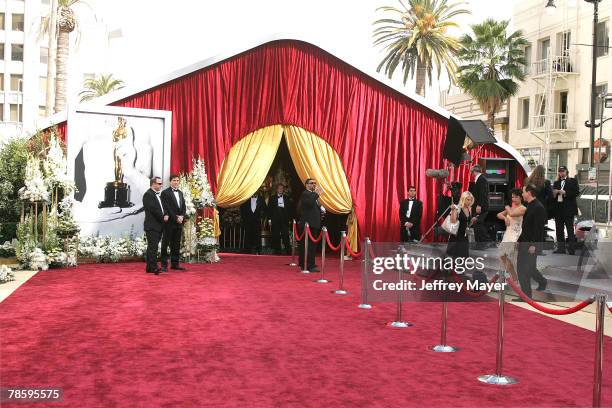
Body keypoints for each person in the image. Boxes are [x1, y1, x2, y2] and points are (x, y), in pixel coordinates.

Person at [516, 184, 548, 299]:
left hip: (530, 245)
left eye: (523, 192)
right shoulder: (529, 205)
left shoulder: (538, 207)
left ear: (529, 193)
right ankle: (542, 282)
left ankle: (526, 295)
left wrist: (534, 245)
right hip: (525, 243)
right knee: (529, 268)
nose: (522, 194)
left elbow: (538, 229)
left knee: (522, 269)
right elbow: (526, 227)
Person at [496, 189, 526, 281]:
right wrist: (505, 218)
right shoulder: (510, 208)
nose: (513, 199)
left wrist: (506, 206)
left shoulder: (523, 208)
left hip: (516, 234)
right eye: (512, 197)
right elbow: (498, 214)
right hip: (508, 233)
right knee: (502, 255)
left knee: (510, 257)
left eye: (516, 197)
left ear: (521, 197)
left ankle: (510, 277)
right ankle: (512, 277)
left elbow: (512, 214)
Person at [160, 174, 187, 271]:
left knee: (176, 244)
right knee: (165, 244)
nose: (176, 182)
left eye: (177, 180)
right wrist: (176, 217)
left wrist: (182, 216)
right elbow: (166, 207)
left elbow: (183, 206)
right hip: (170, 222)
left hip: (179, 222)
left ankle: (175, 264)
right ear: (170, 181)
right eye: (174, 180)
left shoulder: (180, 192)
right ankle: (163, 265)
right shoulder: (165, 193)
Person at [142, 177, 168, 274]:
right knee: (153, 247)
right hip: (152, 225)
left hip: (157, 225)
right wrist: (163, 217)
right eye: (159, 183)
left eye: (161, 183)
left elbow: (161, 208)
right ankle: (153, 267)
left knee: (153, 247)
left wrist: (165, 213)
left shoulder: (157, 195)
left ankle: (150, 267)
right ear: (153, 184)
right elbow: (153, 209)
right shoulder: (148, 195)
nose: (161, 185)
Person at [552, 166, 579, 255]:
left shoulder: (572, 181)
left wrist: (565, 193)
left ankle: (571, 249)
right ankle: (561, 248)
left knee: (570, 229)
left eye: (563, 171)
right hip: (558, 209)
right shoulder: (556, 182)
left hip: (568, 209)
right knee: (559, 229)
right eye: (560, 171)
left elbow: (576, 193)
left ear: (567, 171)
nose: (561, 173)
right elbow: (553, 196)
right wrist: (555, 193)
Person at [298, 178, 323, 272]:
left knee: (312, 245)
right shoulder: (305, 193)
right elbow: (309, 203)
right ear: (306, 185)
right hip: (308, 224)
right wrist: (316, 193)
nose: (314, 185)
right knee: (308, 245)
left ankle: (310, 263)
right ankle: (308, 265)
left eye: (315, 183)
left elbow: (314, 206)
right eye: (312, 183)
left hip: (313, 224)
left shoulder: (312, 195)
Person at [447, 191, 475, 259]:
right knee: (453, 259)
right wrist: (453, 210)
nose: (469, 201)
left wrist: (471, 221)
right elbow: (453, 222)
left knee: (463, 258)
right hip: (456, 236)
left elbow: (468, 225)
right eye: (468, 199)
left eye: (471, 200)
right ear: (463, 199)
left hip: (464, 237)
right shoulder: (457, 208)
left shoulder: (469, 209)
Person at [468, 165, 490, 249]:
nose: (471, 173)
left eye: (471, 172)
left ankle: (486, 242)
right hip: (478, 205)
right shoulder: (479, 179)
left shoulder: (482, 179)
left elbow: (483, 193)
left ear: (474, 171)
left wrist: (479, 205)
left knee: (478, 223)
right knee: (477, 224)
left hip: (481, 206)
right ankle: (481, 244)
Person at [267, 184, 293, 255]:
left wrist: (290, 219)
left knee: (286, 236)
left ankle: (288, 251)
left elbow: (290, 210)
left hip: (284, 220)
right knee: (276, 236)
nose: (281, 189)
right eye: (279, 188)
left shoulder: (287, 198)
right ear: (277, 189)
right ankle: (277, 251)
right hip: (275, 220)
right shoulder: (272, 198)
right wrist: (269, 220)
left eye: (282, 188)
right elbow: (269, 209)